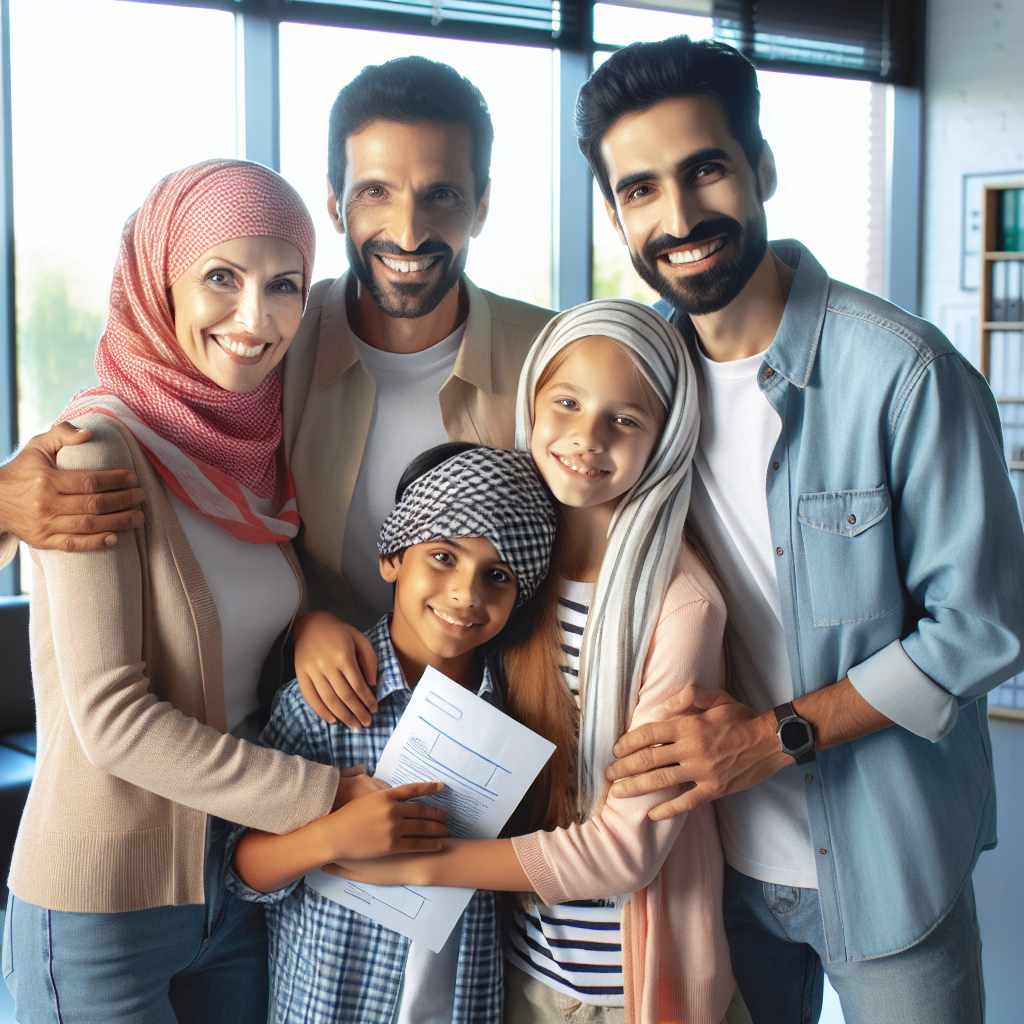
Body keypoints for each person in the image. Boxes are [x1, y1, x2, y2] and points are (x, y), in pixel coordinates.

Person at [571, 36, 1024, 1024]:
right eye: (641, 190)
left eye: (706, 171)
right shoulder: (642, 386)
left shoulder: (902, 372)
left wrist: (773, 739)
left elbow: (981, 628)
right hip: (706, 867)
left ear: (760, 169)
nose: (679, 217)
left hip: (888, 859)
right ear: (615, 213)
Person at [0, 55, 555, 729]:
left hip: (506, 725)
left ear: (483, 204)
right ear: (334, 202)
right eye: (376, 192)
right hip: (310, 732)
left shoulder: (552, 360)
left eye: (441, 195)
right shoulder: (270, 346)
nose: (408, 232)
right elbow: (147, 409)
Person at [0, 160, 401, 1023]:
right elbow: (115, 722)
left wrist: (310, 623)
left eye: (285, 285)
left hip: (242, 883)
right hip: (103, 907)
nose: (256, 319)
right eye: (222, 276)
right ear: (160, 281)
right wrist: (326, 799)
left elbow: (239, 636)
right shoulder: (96, 453)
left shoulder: (251, 453)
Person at [328, 300, 742, 1024]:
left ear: (665, 437)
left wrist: (417, 864)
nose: (587, 438)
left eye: (625, 419)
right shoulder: (513, 567)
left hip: (626, 988)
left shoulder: (681, 604)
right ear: (531, 402)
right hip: (517, 970)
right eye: (568, 403)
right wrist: (311, 626)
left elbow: (625, 854)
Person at [226, 444, 558, 1024]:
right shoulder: (322, 700)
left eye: (498, 575)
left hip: (463, 1001)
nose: (467, 594)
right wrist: (332, 837)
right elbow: (241, 869)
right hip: (328, 1004)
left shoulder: (516, 723)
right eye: (443, 556)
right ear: (393, 558)